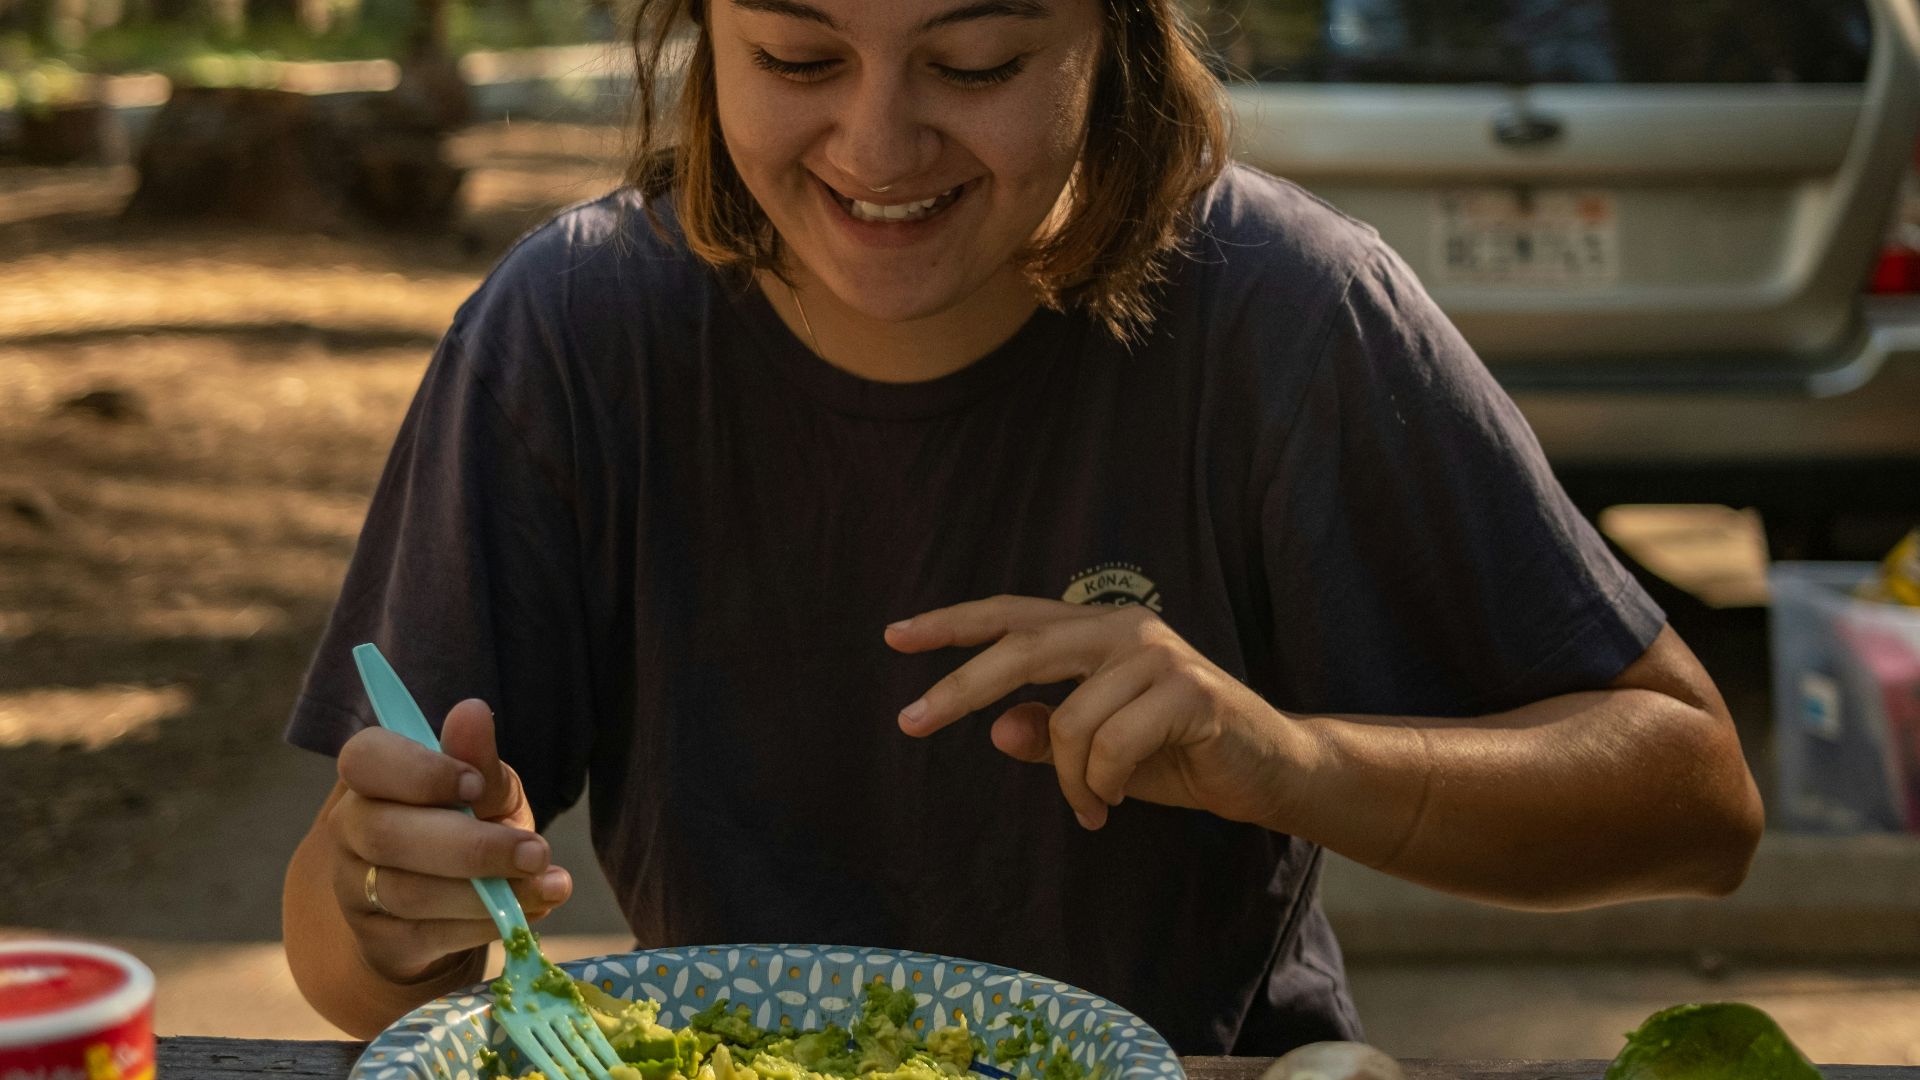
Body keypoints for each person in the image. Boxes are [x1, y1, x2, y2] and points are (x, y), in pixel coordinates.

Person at [280, 0, 1766, 1055]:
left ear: (1115, 38)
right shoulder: (575, 331)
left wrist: (1291, 763)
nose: (876, 143)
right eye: (796, 55)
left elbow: (1696, 799)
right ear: (698, 39)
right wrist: (383, 894)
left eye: (976, 59)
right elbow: (353, 970)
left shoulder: (1285, 312)